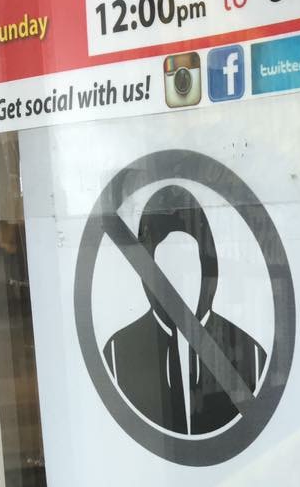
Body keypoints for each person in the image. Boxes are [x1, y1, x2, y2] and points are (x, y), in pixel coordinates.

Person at [103, 184, 267, 435]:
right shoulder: (117, 354)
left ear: (206, 268)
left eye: (187, 262)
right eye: (166, 267)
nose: (178, 282)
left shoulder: (252, 354)